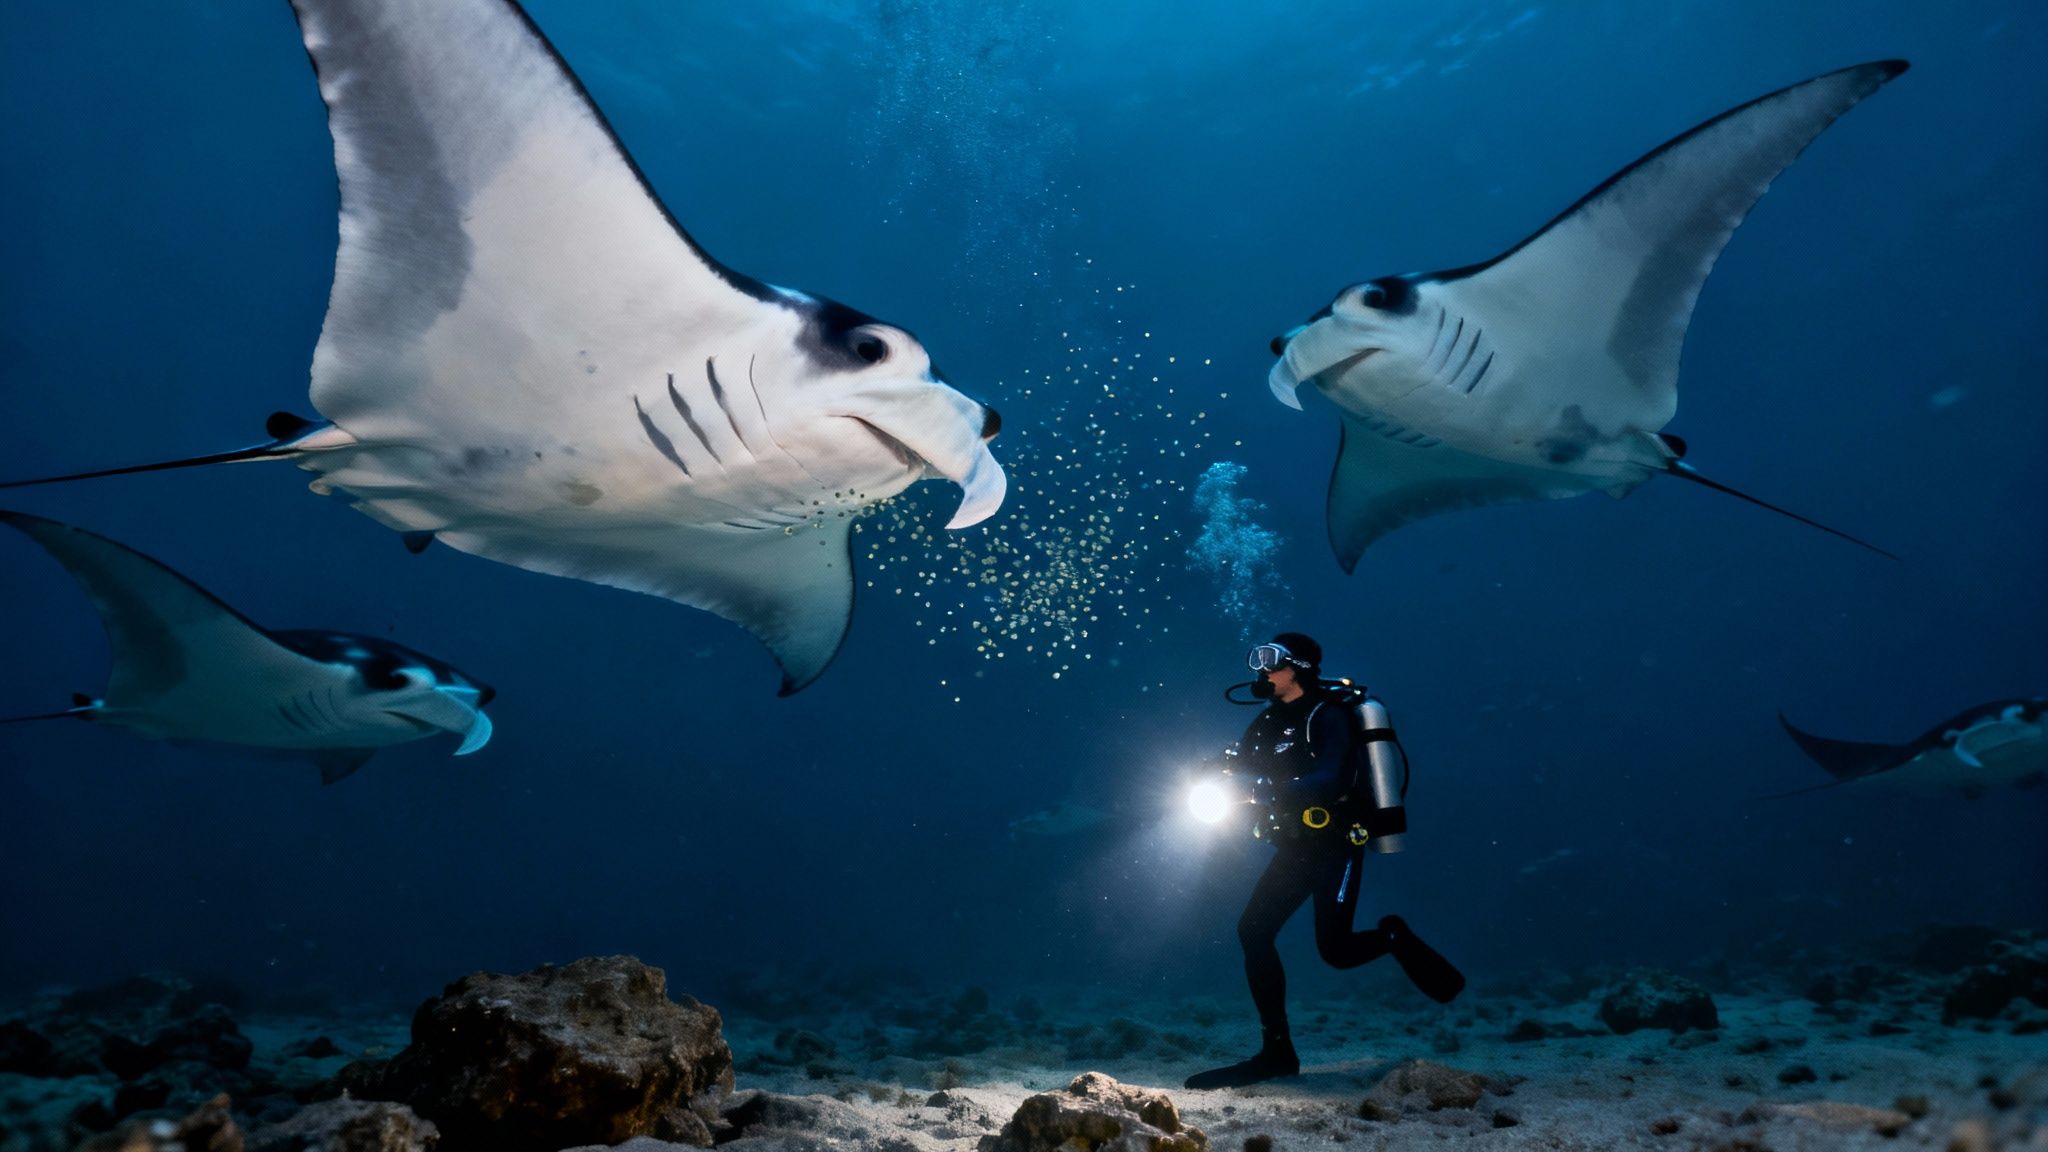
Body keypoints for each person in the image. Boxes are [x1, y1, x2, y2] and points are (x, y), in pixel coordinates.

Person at [1185, 632, 1465, 1090]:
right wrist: (1209, 770)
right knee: (1253, 932)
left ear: (1299, 667)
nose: (1261, 669)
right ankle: (1277, 1053)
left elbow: (1329, 774)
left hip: (1335, 843)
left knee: (1334, 951)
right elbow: (1241, 762)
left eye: (1271, 660)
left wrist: (1261, 790)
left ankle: (1393, 936)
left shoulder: (1328, 715)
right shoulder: (1267, 721)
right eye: (1258, 659)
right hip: (1295, 847)